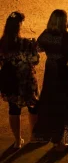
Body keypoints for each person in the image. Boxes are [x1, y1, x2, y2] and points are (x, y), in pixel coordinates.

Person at [32, 10, 68, 152]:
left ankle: (55, 140)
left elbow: (37, 48)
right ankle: (61, 142)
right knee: (65, 106)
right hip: (63, 72)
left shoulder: (46, 34)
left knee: (51, 103)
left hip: (50, 71)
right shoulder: (67, 38)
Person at [0, 12, 39, 149]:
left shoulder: (2, 43)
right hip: (26, 81)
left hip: (10, 82)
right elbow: (35, 60)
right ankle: (33, 137)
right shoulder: (26, 43)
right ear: (19, 26)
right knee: (33, 107)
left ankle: (17, 141)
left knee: (14, 109)